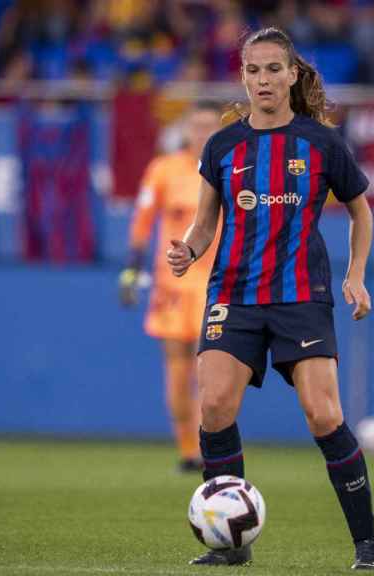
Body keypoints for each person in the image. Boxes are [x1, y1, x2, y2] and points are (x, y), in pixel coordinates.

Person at [167, 27, 374, 570]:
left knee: (323, 414)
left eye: (273, 69)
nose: (263, 80)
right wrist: (189, 252)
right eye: (252, 70)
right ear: (242, 77)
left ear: (293, 74)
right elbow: (204, 226)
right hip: (235, 294)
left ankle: (367, 545)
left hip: (301, 296)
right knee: (216, 405)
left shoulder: (321, 142)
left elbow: (361, 211)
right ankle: (232, 547)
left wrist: (356, 274)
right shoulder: (222, 146)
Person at [121, 103, 222, 473]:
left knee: (209, 372)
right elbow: (142, 220)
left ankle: (207, 447)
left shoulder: (230, 169)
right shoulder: (164, 170)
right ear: (186, 131)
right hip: (173, 285)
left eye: (209, 126)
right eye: (196, 126)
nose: (202, 133)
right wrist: (131, 271)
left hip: (215, 285)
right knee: (178, 372)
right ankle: (187, 450)